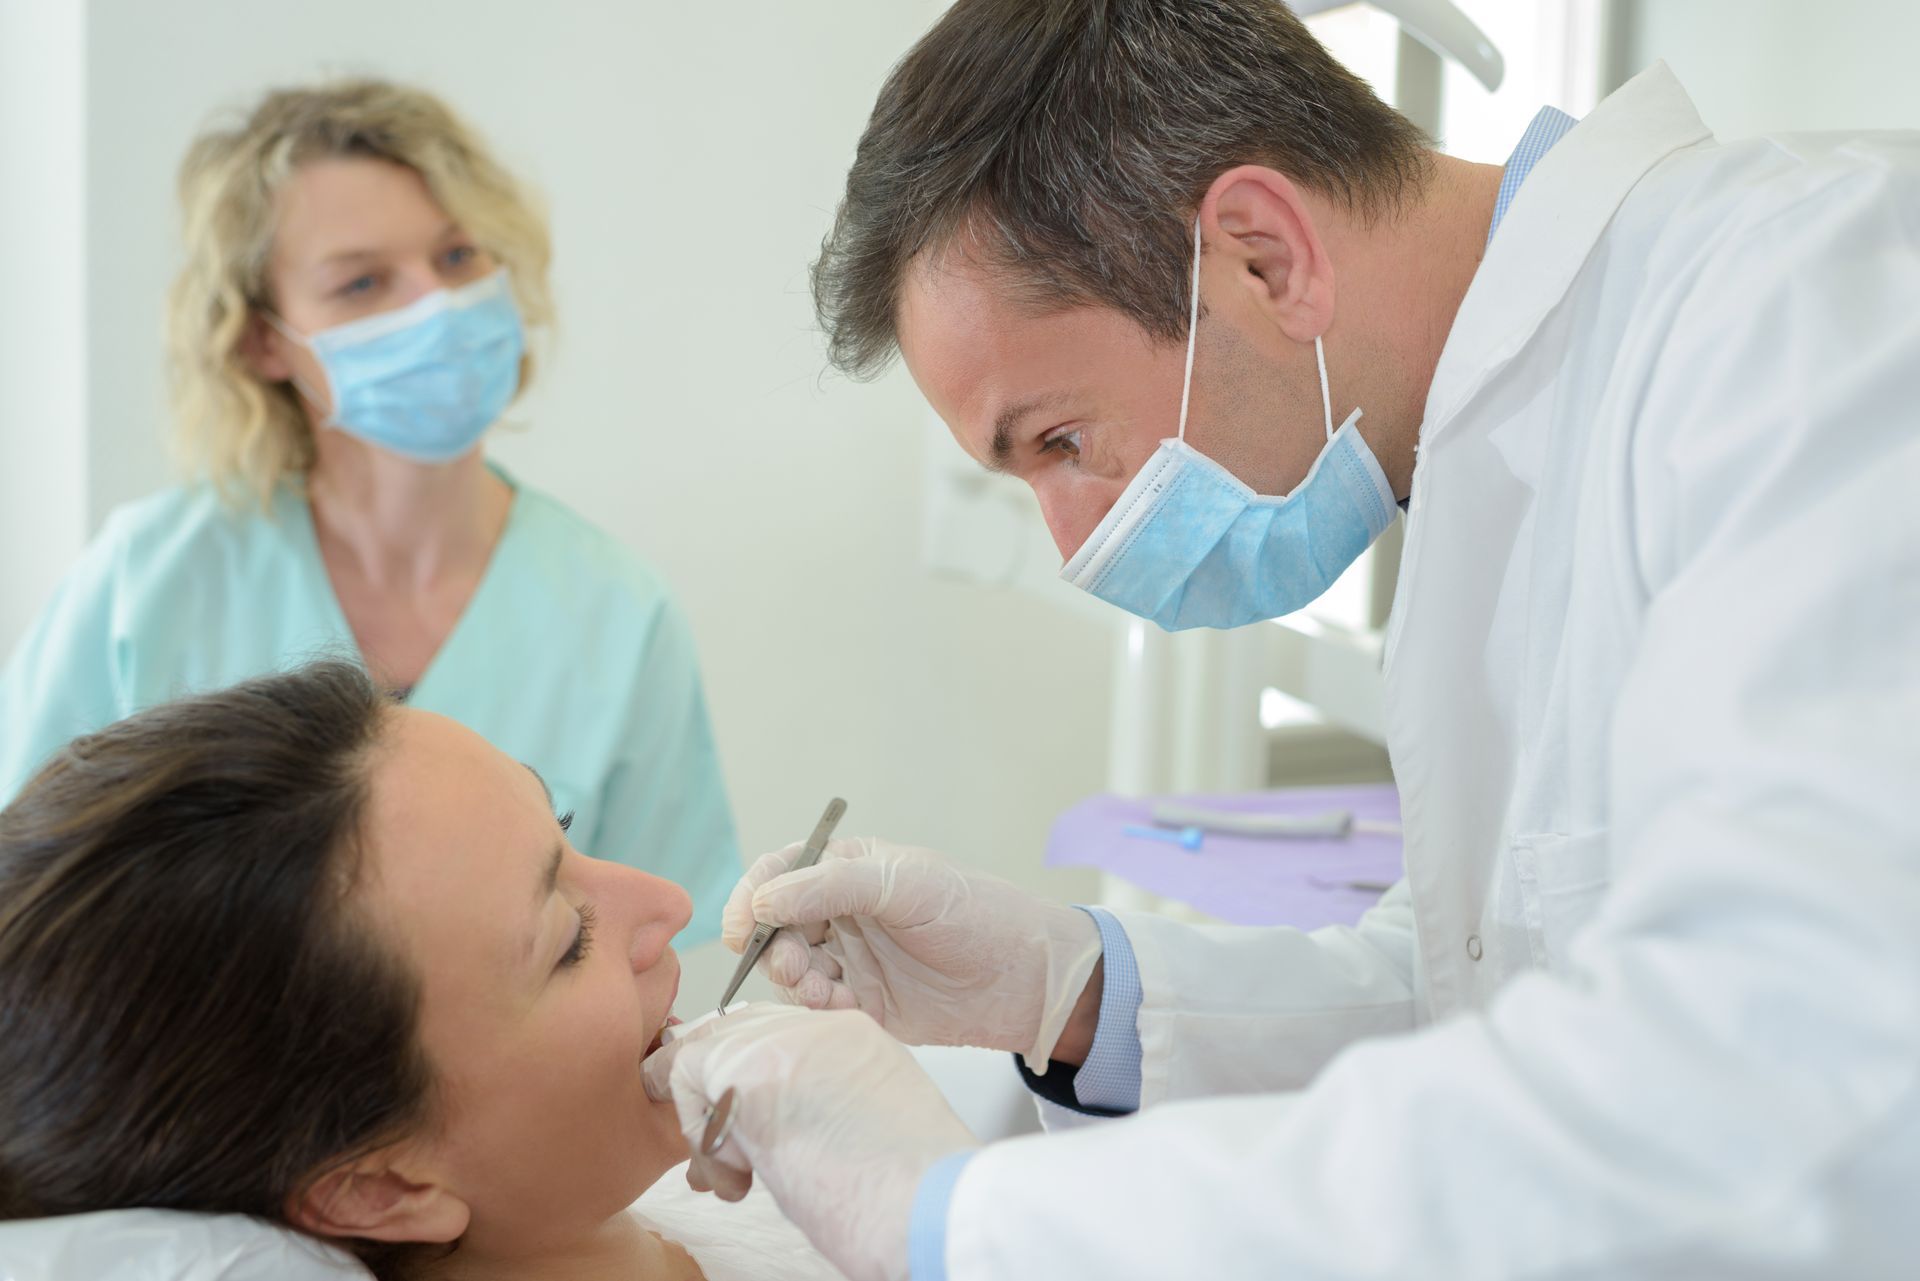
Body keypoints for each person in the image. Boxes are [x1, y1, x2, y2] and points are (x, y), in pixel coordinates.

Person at [644, 1, 1920, 1278]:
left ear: (1263, 257)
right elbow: (1489, 990)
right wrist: (1074, 990)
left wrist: (964, 1227)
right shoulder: (1490, 453)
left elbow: (1796, 1078)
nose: (1073, 538)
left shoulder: (1816, 311)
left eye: (1060, 443)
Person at [0, 79, 739, 943]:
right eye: (362, 283)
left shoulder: (616, 612)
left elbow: (671, 945)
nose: (433, 304)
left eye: (459, 257)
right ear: (262, 338)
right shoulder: (148, 583)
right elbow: (26, 910)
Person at [0, 661, 865, 1281]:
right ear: (382, 1188)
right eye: (568, 938)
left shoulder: (795, 1183)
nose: (669, 904)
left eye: (562, 830)